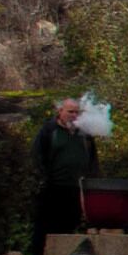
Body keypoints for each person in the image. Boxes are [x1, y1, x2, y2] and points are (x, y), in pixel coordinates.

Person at [32, 97, 97, 246]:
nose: (74, 115)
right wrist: (42, 177)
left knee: (70, 223)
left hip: (77, 187)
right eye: (70, 112)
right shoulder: (49, 130)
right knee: (46, 225)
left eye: (76, 112)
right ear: (60, 111)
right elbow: (37, 155)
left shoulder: (84, 134)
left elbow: (92, 159)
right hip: (53, 186)